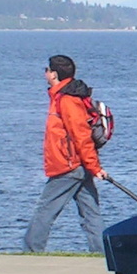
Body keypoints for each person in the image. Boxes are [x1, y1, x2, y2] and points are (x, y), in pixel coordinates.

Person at [23, 54, 109, 252]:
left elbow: (81, 135)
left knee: (45, 209)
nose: (45, 73)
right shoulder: (66, 96)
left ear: (54, 74)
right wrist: (92, 166)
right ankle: (102, 253)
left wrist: (93, 166)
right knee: (91, 213)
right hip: (79, 165)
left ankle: (30, 251)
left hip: (69, 166)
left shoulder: (67, 99)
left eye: (47, 70)